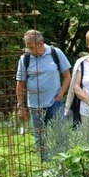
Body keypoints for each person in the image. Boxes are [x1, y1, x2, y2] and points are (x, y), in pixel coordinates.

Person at [16, 29, 71, 161]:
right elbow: (20, 84)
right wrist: (21, 106)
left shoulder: (55, 53)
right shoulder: (25, 59)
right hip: (35, 105)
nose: (29, 50)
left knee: (60, 134)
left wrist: (60, 94)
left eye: (31, 47)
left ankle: (62, 162)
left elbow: (67, 76)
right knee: (39, 136)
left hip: (55, 102)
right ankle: (44, 163)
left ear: (41, 43)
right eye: (27, 47)